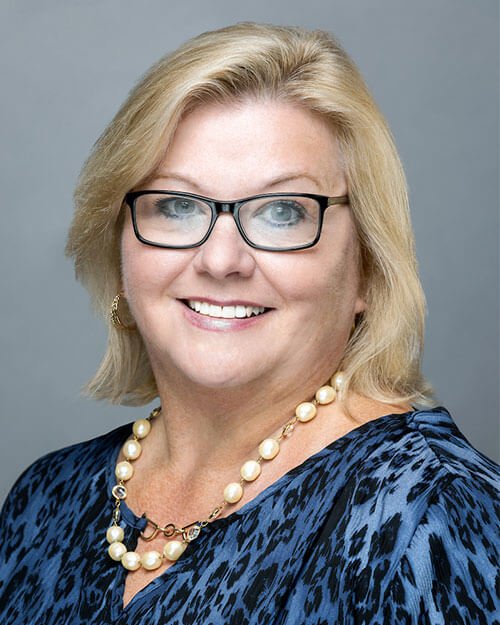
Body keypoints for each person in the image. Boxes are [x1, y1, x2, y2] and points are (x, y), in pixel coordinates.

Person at [0, 22, 497, 625]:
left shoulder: (430, 519)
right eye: (177, 205)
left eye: (283, 212)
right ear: (121, 248)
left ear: (367, 267)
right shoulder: (44, 500)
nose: (221, 260)